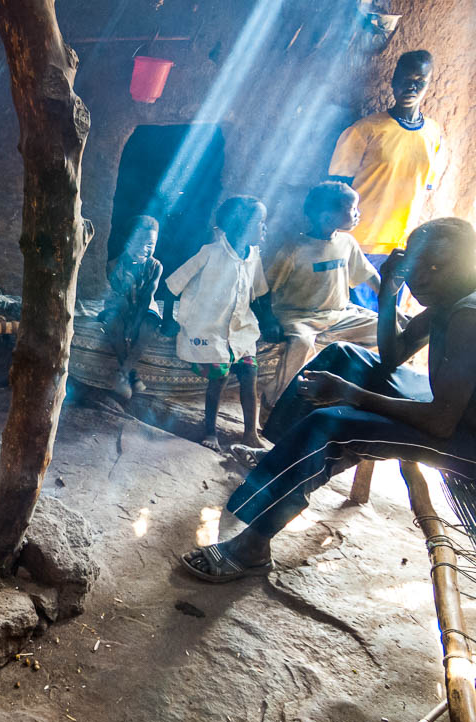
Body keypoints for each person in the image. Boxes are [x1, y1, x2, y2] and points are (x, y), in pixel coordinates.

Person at [181, 218, 476, 583]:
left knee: (331, 425)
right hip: (449, 408)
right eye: (417, 265)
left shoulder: (469, 314)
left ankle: (253, 547)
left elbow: (440, 422)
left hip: (463, 437)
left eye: (436, 267)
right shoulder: (450, 298)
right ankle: (282, 459)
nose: (423, 278)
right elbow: (393, 354)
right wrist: (387, 296)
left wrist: (350, 394)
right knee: (343, 356)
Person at [328, 50, 445, 308]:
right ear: (393, 80)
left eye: (420, 81)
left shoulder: (433, 135)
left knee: (387, 325)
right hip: (359, 241)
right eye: (404, 79)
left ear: (429, 83)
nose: (411, 87)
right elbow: (336, 189)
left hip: (401, 247)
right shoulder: (364, 130)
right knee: (355, 320)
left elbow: (424, 188)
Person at [166, 196, 276, 453]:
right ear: (240, 226)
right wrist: (168, 321)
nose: (265, 228)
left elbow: (259, 292)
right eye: (260, 222)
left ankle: (250, 433)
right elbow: (173, 285)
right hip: (207, 327)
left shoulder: (253, 256)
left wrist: (270, 321)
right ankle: (210, 430)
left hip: (238, 328)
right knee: (221, 374)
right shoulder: (210, 253)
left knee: (250, 372)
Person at [261, 181, 381, 407]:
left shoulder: (347, 242)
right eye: (352, 209)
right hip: (298, 316)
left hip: (339, 314)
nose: (358, 213)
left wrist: (390, 305)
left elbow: (368, 275)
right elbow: (266, 287)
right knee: (301, 343)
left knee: (386, 328)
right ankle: (275, 398)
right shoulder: (294, 249)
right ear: (327, 218)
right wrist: (269, 320)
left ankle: (348, 380)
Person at [102, 215, 163, 402]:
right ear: (129, 240)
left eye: (150, 244)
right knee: (114, 326)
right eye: (139, 242)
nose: (145, 248)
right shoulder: (113, 265)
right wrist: (127, 321)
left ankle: (124, 374)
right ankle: (133, 375)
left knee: (147, 328)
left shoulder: (156, 266)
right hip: (120, 304)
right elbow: (121, 297)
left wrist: (136, 324)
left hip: (144, 305)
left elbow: (146, 296)